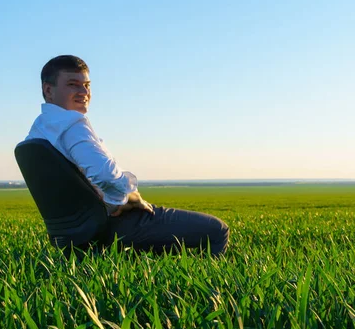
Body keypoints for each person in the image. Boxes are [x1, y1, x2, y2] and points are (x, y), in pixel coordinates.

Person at [26, 55, 229, 256]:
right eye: (73, 84)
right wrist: (125, 198)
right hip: (112, 224)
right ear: (48, 90)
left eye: (86, 85)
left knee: (166, 249)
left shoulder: (39, 130)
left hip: (74, 232)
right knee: (217, 231)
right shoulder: (72, 125)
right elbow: (105, 175)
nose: (84, 91)